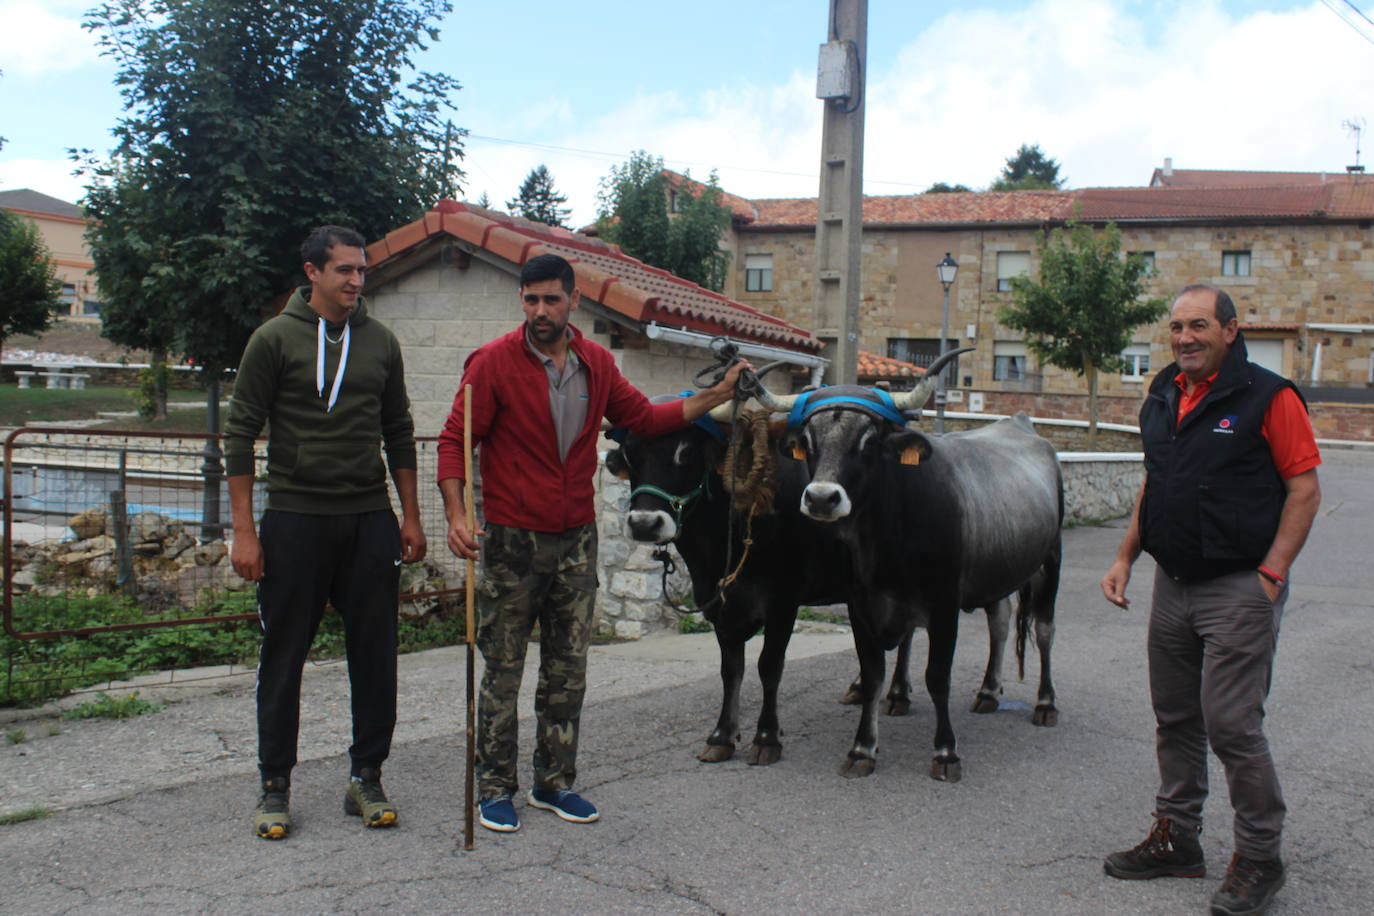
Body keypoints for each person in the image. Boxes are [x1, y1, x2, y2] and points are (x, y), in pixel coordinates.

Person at [437, 253, 748, 834]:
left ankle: (554, 783)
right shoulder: (492, 363)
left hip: (576, 539)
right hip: (510, 539)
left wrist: (720, 394)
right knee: (503, 668)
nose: (539, 311)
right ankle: (495, 788)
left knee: (568, 669)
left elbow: (649, 420)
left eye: (551, 299)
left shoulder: (597, 363)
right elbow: (454, 441)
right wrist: (456, 512)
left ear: (572, 300)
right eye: (530, 300)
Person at [1100, 284, 1321, 916]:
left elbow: (1303, 489)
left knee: (1232, 725)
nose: (1184, 338)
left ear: (1230, 329)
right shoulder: (1164, 391)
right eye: (1175, 327)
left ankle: (1259, 856)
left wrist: (1272, 576)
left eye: (1198, 325)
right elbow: (1155, 481)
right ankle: (1178, 838)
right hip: (1174, 585)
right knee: (1175, 717)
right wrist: (1125, 556)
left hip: (1239, 587)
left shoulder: (1268, 397)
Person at [225, 225, 427, 840]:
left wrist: (410, 516)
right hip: (294, 518)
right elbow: (239, 435)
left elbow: (398, 429)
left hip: (367, 518)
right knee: (284, 657)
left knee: (375, 655)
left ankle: (366, 776)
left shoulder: (382, 343)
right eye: (344, 271)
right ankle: (274, 786)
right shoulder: (273, 339)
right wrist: (243, 532)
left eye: (361, 271)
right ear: (312, 272)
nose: (356, 282)